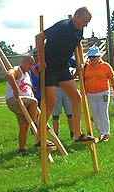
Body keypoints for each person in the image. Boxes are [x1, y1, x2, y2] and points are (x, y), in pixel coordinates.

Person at [35, 6, 95, 145]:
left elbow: (78, 44)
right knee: (50, 103)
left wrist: (80, 61)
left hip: (62, 69)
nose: (86, 24)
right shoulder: (62, 26)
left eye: (88, 22)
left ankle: (77, 134)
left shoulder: (79, 29)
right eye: (85, 21)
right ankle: (39, 139)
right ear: (77, 16)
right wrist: (41, 61)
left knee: (77, 97)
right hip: (49, 68)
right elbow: (39, 38)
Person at [83, 46, 114, 141]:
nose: (92, 59)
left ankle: (106, 133)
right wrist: (83, 92)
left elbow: (112, 79)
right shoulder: (86, 67)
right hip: (90, 94)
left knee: (103, 112)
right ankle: (99, 132)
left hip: (103, 94)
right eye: (90, 57)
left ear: (98, 57)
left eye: (94, 57)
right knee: (95, 114)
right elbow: (83, 80)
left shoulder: (105, 66)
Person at [5, 55, 38, 155]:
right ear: (23, 62)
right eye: (29, 64)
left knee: (24, 125)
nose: (30, 67)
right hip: (14, 100)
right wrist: (16, 90)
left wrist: (30, 89)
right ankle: (35, 126)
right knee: (34, 102)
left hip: (24, 101)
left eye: (32, 65)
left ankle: (22, 150)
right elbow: (9, 75)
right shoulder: (17, 69)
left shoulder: (27, 75)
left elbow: (24, 85)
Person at [51, 57, 76, 139]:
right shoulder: (50, 57)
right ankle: (56, 135)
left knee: (70, 112)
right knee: (55, 114)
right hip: (55, 87)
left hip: (66, 87)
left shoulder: (68, 57)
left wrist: (73, 77)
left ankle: (72, 134)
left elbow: (79, 66)